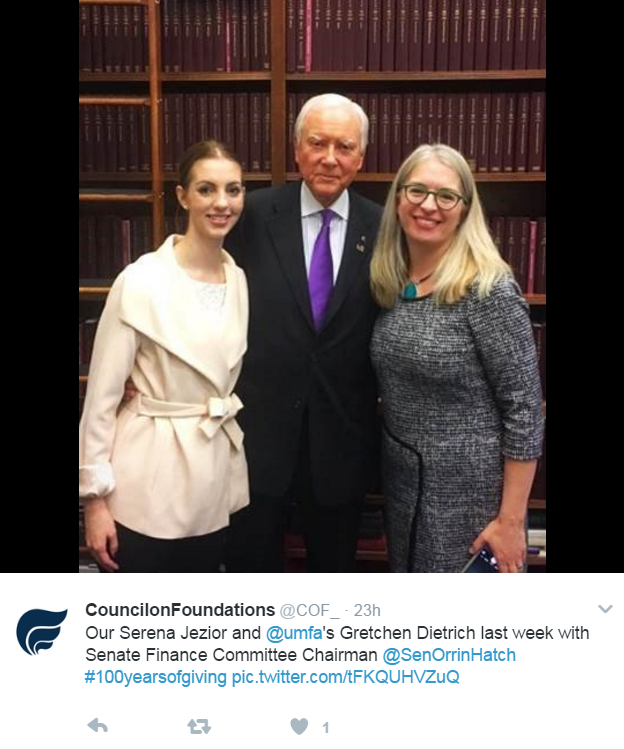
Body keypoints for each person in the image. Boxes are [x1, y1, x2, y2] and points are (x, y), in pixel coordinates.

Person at [225, 94, 383, 572]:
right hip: (257, 440)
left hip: (342, 442)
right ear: (297, 149)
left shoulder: (386, 227)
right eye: (317, 143)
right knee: (252, 580)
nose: (330, 158)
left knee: (332, 578)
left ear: (361, 157)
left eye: (344, 146)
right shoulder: (249, 215)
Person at [369, 143, 543, 573]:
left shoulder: (488, 291)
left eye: (446, 195)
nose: (429, 205)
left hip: (471, 505)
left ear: (465, 209)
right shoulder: (390, 280)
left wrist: (510, 521)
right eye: (416, 191)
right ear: (398, 198)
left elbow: (524, 411)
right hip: (405, 492)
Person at [79, 141, 249, 573]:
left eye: (234, 189)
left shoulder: (238, 279)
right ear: (182, 196)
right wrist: (94, 501)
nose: (222, 203)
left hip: (211, 478)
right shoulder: (139, 281)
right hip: (146, 481)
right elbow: (100, 399)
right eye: (207, 189)